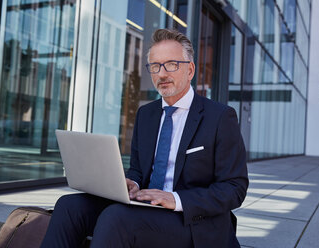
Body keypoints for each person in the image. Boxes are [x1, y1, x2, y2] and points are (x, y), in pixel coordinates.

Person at [41, 28, 248, 248]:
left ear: (190, 70)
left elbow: (235, 188)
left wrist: (176, 199)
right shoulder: (146, 114)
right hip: (147, 207)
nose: (162, 74)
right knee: (69, 206)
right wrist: (133, 183)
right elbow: (139, 169)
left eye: (171, 64)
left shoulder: (220, 117)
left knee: (117, 218)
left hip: (192, 221)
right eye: (155, 66)